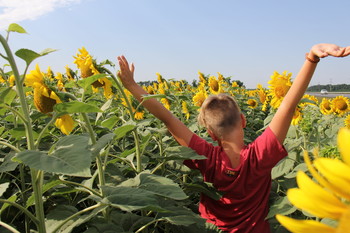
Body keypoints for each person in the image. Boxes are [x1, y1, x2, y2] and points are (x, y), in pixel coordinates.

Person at [117, 44, 350, 233]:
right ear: (244, 120)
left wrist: (132, 86)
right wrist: (311, 58)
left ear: (210, 132)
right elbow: (288, 104)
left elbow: (167, 118)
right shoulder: (260, 154)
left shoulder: (204, 157)